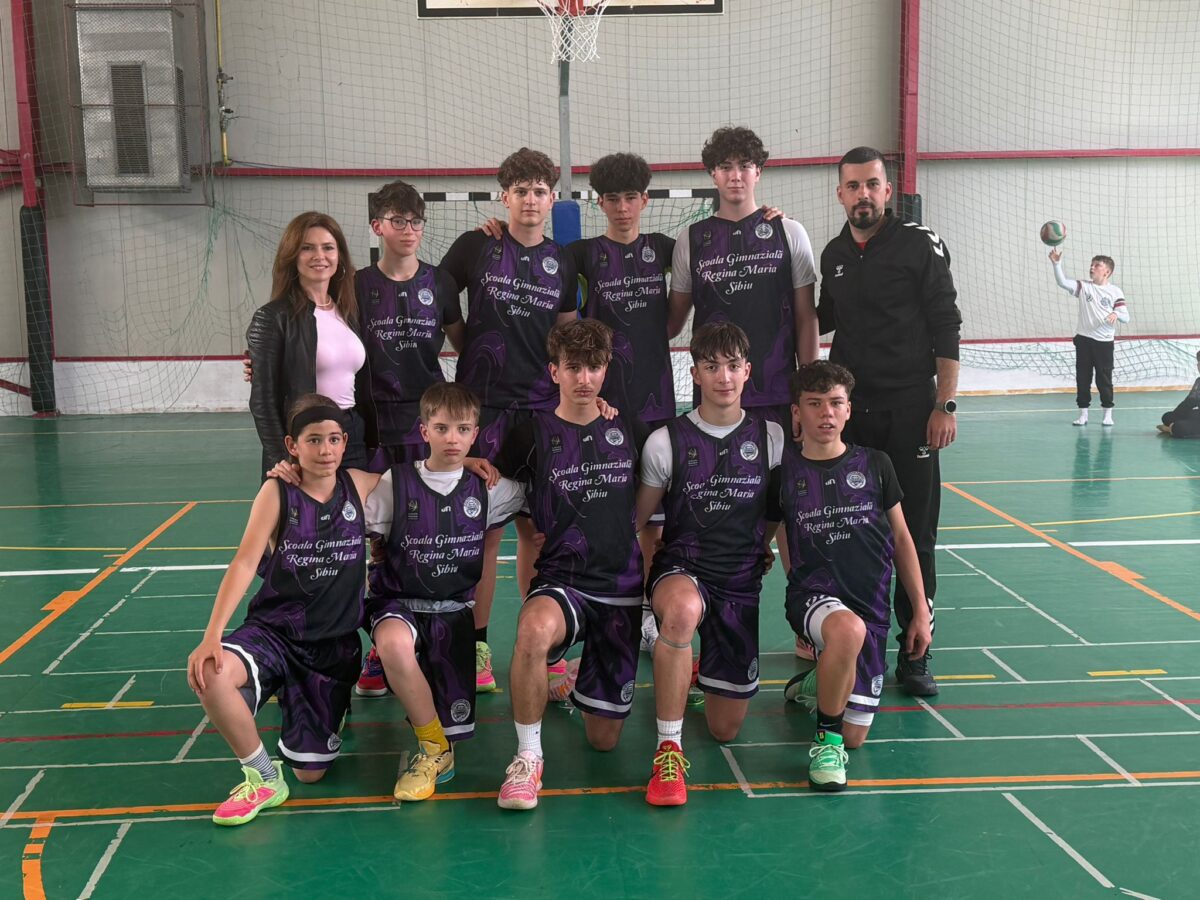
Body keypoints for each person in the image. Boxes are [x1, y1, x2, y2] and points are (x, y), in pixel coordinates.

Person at [186, 395, 378, 826]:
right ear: (292, 445)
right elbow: (244, 563)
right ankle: (264, 777)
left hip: (331, 649)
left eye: (333, 439)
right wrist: (212, 635)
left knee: (311, 773)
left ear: (345, 442)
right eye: (314, 440)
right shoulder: (277, 492)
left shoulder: (358, 484)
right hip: (274, 632)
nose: (325, 450)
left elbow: (423, 478)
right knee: (211, 673)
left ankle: (320, 705)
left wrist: (471, 462)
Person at [817, 146, 961, 697]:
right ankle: (852, 645)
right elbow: (818, 318)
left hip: (911, 412)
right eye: (853, 186)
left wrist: (944, 405)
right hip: (851, 416)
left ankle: (917, 650)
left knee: (916, 532)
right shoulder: (833, 254)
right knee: (852, 528)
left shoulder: (919, 244)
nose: (863, 195)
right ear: (840, 193)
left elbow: (946, 323)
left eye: (872, 184)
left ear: (887, 189)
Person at [439, 148, 579, 694]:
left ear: (552, 198)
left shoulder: (562, 262)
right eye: (520, 190)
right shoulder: (477, 245)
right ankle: (476, 648)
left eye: (539, 190)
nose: (530, 200)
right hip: (484, 412)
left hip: (542, 413)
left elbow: (567, 336)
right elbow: (436, 298)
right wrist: (469, 349)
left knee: (538, 534)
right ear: (504, 196)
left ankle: (542, 645)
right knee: (484, 534)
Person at [491, 319, 646, 811]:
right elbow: (498, 492)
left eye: (594, 367)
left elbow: (652, 511)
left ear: (606, 369)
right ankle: (527, 757)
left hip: (621, 588)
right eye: (573, 368)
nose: (584, 379)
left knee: (603, 741)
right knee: (533, 630)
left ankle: (572, 680)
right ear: (554, 371)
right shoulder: (529, 433)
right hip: (564, 581)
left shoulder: (629, 428)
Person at [635, 322, 784, 807]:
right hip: (683, 567)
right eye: (712, 366)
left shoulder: (772, 437)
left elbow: (779, 509)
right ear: (695, 372)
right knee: (680, 612)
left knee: (725, 729)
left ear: (748, 371)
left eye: (733, 366)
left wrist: (766, 545)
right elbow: (637, 519)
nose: (724, 377)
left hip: (739, 580)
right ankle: (668, 749)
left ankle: (689, 669)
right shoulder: (665, 441)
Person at [358, 383, 525, 801]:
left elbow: (546, 495)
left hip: (453, 615)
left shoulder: (490, 488)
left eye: (463, 429)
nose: (452, 438)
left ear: (475, 434)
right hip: (399, 604)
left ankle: (442, 745)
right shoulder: (396, 483)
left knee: (455, 720)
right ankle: (433, 748)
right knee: (393, 644)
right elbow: (347, 501)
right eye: (442, 428)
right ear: (424, 430)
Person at [778, 361, 933, 792]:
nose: (826, 413)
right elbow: (770, 534)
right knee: (846, 632)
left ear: (848, 409)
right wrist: (783, 572)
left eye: (835, 403)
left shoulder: (876, 464)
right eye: (814, 404)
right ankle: (825, 745)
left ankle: (818, 681)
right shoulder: (784, 474)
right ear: (797, 413)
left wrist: (920, 612)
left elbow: (902, 539)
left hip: (871, 604)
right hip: (814, 598)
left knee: (856, 736)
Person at [667, 126, 819, 431]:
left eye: (745, 166)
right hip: (715, 395)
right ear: (713, 174)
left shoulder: (789, 232)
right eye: (725, 167)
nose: (735, 176)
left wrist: (809, 392)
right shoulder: (690, 240)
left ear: (758, 172)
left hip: (777, 389)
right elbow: (672, 322)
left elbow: (806, 317)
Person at [247, 212, 377, 477]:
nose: (320, 256)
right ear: (292, 257)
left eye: (328, 247)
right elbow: (262, 401)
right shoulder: (272, 317)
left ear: (339, 256)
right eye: (307, 248)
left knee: (353, 504)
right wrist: (282, 457)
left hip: (350, 434)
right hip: (306, 437)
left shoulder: (350, 312)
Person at [360, 180, 466, 465]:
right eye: (398, 221)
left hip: (429, 419)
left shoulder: (441, 282)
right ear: (377, 226)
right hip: (375, 421)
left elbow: (466, 348)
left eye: (415, 221)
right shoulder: (357, 285)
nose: (408, 230)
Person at [1048, 247, 1129, 426]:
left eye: (1097, 265)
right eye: (1091, 265)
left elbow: (1126, 317)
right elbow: (1062, 282)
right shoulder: (1084, 287)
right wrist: (1057, 264)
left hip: (1104, 343)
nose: (1092, 267)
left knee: (1104, 380)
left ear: (1107, 272)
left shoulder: (1115, 292)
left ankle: (1107, 414)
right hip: (1084, 340)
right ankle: (1083, 414)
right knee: (1082, 378)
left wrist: (1116, 313)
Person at [1158, 350, 1200, 438]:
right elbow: (1188, 402)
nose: (1198, 366)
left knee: (1179, 427)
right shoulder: (1198, 381)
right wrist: (1175, 415)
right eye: (1198, 362)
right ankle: (1173, 428)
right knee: (1167, 417)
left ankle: (1171, 429)